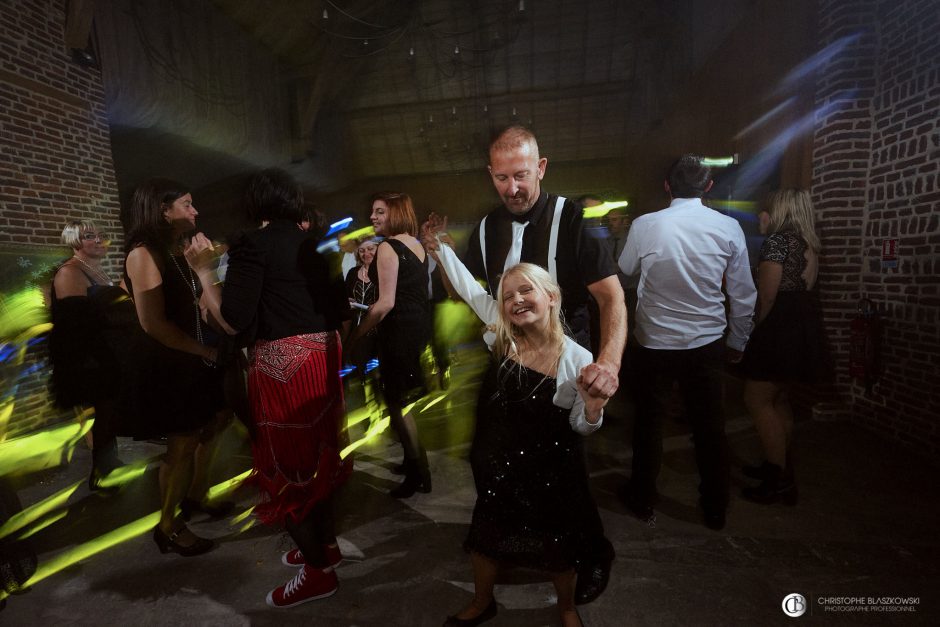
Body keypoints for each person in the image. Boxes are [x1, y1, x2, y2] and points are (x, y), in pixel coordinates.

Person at [447, 125, 625, 604]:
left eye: (521, 175)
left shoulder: (574, 218)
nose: (513, 188)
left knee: (564, 474)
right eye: (502, 178)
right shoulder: (486, 228)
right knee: (486, 458)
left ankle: (590, 553)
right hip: (506, 365)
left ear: (541, 168)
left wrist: (607, 363)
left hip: (564, 365)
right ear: (491, 175)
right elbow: (473, 293)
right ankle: (508, 541)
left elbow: (612, 297)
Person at [186, 168, 351, 608]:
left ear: (256, 202)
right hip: (322, 357)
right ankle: (326, 546)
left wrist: (204, 274)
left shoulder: (252, 245)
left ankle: (319, 573)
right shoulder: (313, 241)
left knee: (285, 473)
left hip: (284, 367)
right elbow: (337, 309)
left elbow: (234, 318)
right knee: (319, 458)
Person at [428, 229, 606, 627]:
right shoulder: (501, 333)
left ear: (552, 296)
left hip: (551, 469)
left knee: (557, 543)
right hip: (500, 464)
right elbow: (468, 289)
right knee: (486, 538)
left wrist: (593, 408)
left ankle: (566, 607)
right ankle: (482, 601)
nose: (516, 300)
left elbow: (581, 424)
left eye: (526, 290)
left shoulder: (577, 357)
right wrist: (439, 249)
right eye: (508, 296)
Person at [618, 155, 757, 530]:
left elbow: (626, 270)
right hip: (707, 342)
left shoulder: (646, 225)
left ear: (667, 185)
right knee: (710, 427)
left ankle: (642, 498)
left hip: (654, 341)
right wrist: (738, 339)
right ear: (707, 187)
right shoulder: (727, 227)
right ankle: (715, 507)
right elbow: (744, 293)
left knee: (648, 424)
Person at [123, 178, 226, 556]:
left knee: (208, 426)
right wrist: (204, 351)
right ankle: (168, 525)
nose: (195, 211)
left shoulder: (174, 250)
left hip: (190, 357)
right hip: (169, 362)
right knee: (180, 445)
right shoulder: (143, 253)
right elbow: (153, 324)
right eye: (186, 204)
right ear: (163, 211)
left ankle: (195, 498)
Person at [739, 189, 823, 504]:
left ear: (780, 212)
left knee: (756, 400)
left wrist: (756, 330)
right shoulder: (808, 243)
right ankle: (780, 468)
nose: (762, 216)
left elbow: (769, 296)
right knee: (780, 400)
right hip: (802, 327)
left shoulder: (777, 242)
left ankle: (779, 480)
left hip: (780, 328)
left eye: (766, 210)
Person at [349, 192, 432, 498]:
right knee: (401, 403)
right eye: (373, 212)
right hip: (416, 328)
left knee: (398, 405)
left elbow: (384, 304)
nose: (373, 217)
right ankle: (414, 463)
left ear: (395, 213)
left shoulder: (388, 247)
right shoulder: (414, 244)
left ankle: (417, 473)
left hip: (397, 333)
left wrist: (358, 332)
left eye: (380, 212)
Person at [48, 221, 123, 490]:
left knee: (110, 409)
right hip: (88, 358)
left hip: (104, 352)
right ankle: (101, 472)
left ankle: (110, 461)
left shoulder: (93, 269)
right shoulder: (70, 272)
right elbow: (76, 325)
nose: (99, 240)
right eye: (90, 236)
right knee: (104, 410)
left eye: (100, 235)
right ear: (74, 242)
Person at [344, 237, 381, 418]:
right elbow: (345, 297)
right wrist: (348, 301)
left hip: (378, 331)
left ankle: (378, 409)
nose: (366, 253)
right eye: (362, 250)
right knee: (364, 374)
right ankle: (373, 409)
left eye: (370, 249)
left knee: (377, 374)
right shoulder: (352, 273)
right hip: (358, 332)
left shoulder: (385, 272)